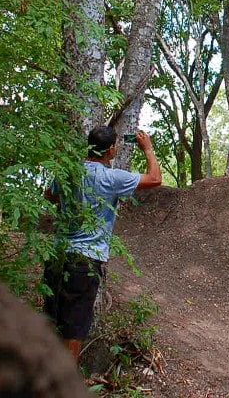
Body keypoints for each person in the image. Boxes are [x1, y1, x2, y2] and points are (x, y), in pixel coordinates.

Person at [42, 126, 162, 363]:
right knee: (74, 327)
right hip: (85, 259)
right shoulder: (111, 178)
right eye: (115, 145)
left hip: (56, 253)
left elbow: (50, 194)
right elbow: (155, 179)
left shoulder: (69, 172)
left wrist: (71, 201)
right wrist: (147, 149)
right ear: (110, 150)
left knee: (51, 317)